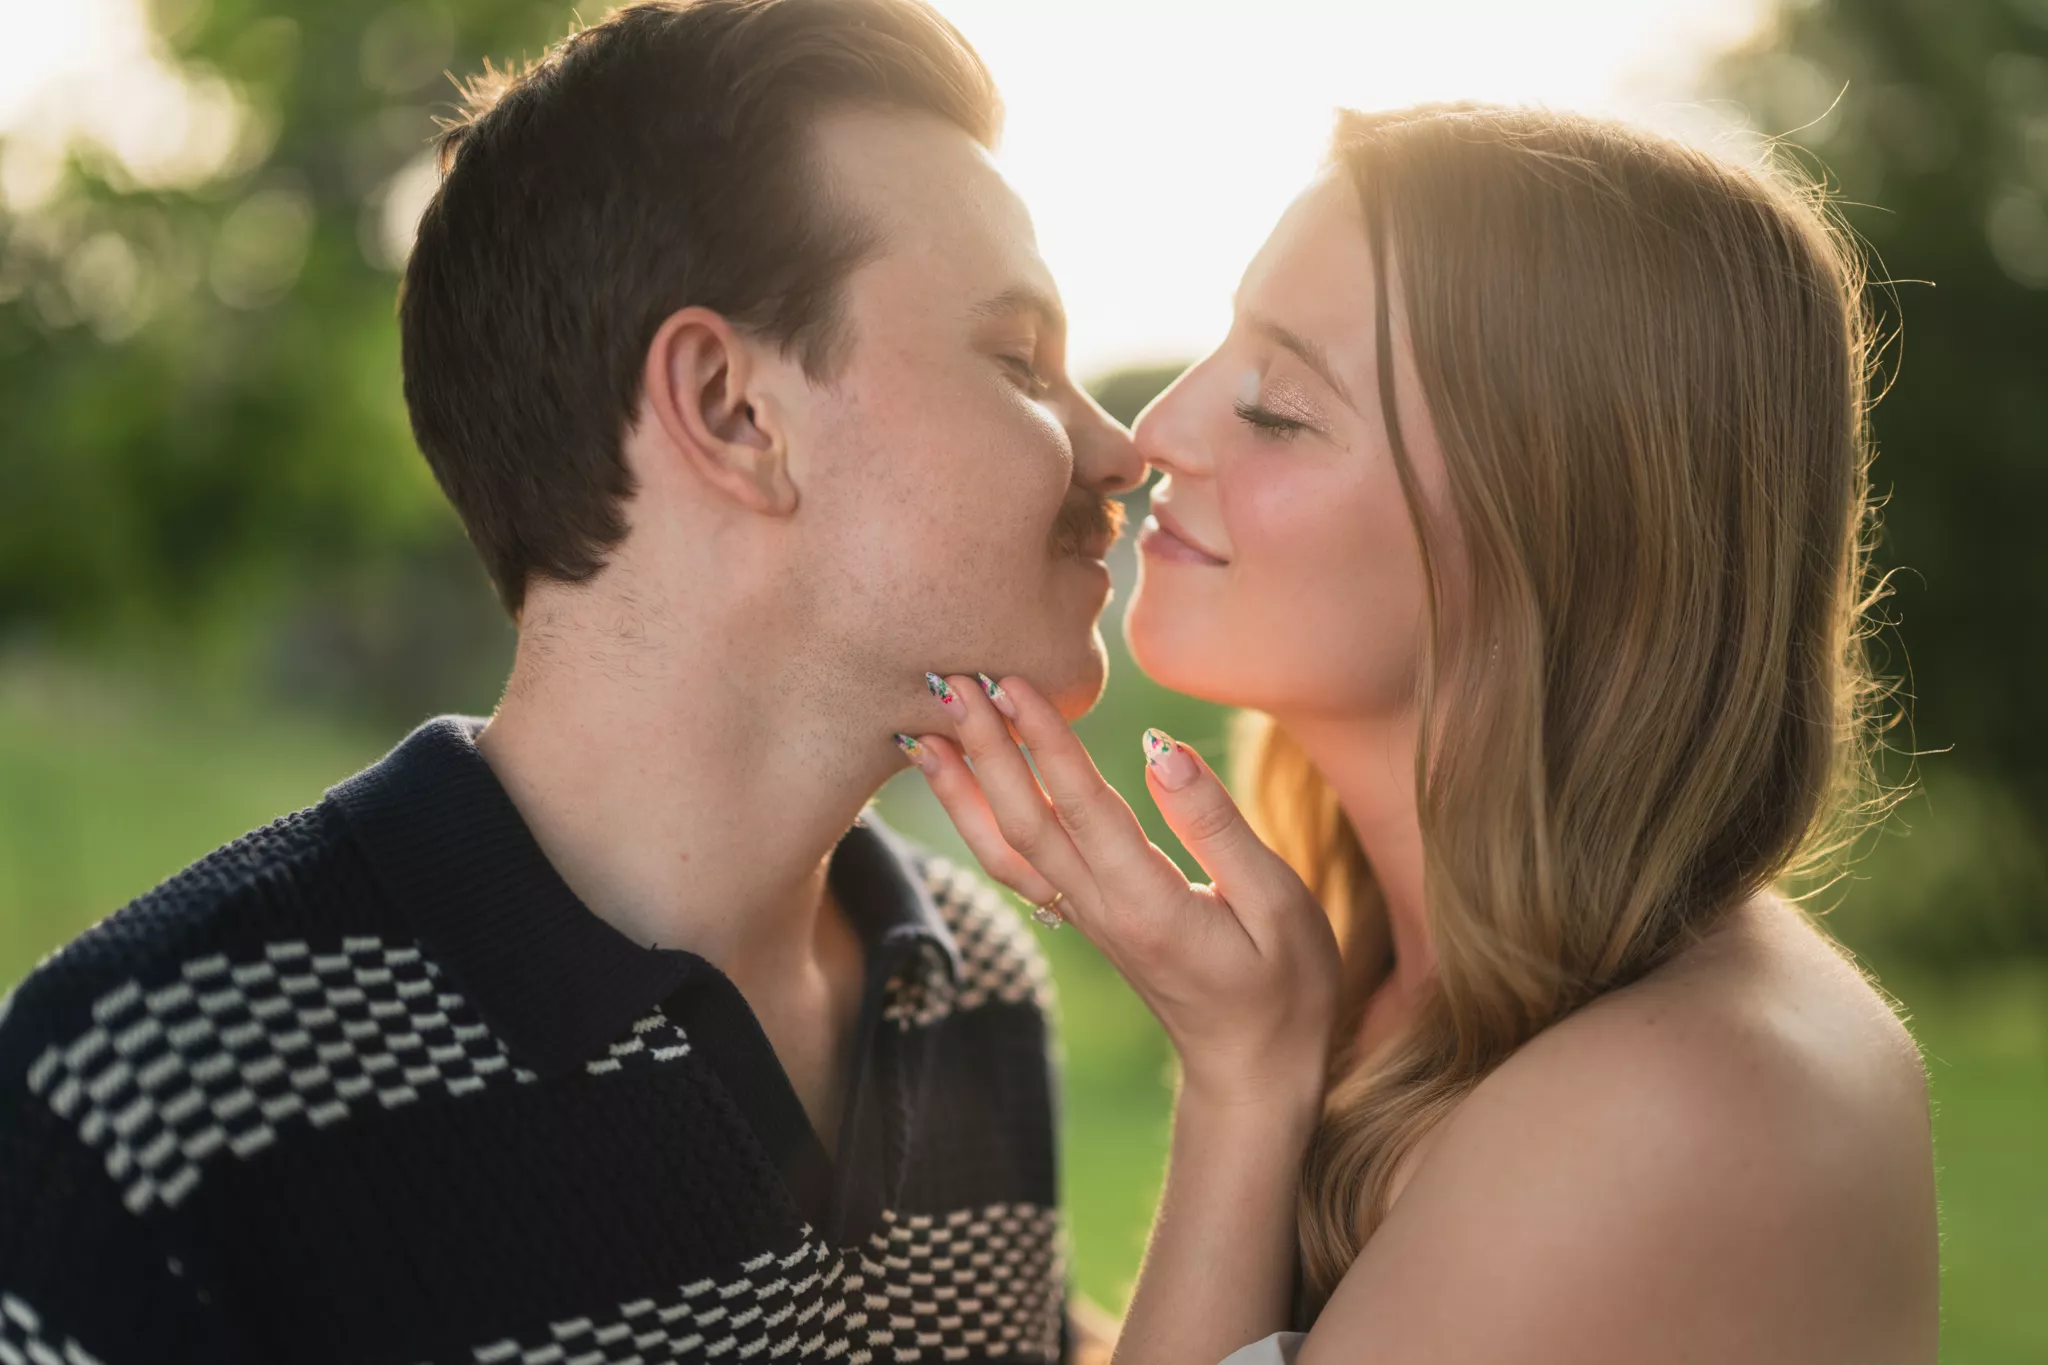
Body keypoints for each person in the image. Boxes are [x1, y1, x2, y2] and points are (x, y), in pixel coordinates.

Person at [0, 2, 1139, 1360]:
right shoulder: (148, 1093)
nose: (1118, 450)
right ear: (731, 411)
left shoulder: (975, 988)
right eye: (1019, 362)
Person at [904, 104, 1940, 1364]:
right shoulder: (1400, 976)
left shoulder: (1681, 1106)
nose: (1148, 438)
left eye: (1274, 408)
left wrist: (1240, 1089)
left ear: (1555, 539)